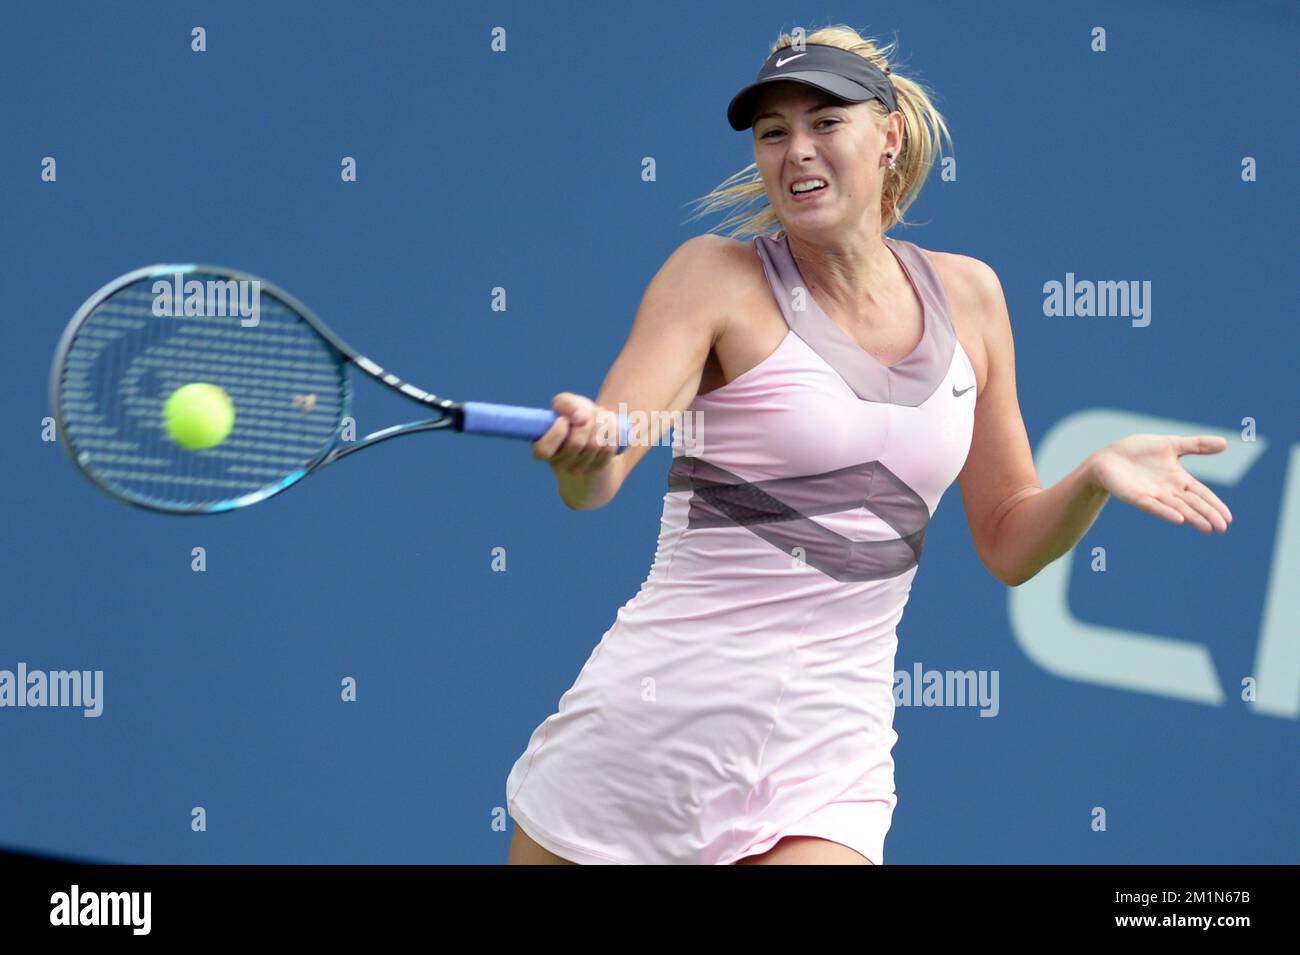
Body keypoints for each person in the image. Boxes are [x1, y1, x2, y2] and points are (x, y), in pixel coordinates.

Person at [505, 25, 1233, 866]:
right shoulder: (711, 278)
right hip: (648, 745)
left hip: (831, 761)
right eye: (773, 131)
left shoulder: (973, 296)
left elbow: (1006, 538)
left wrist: (1093, 479)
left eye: (825, 122)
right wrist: (585, 457)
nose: (796, 150)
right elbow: (604, 468)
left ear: (888, 135)